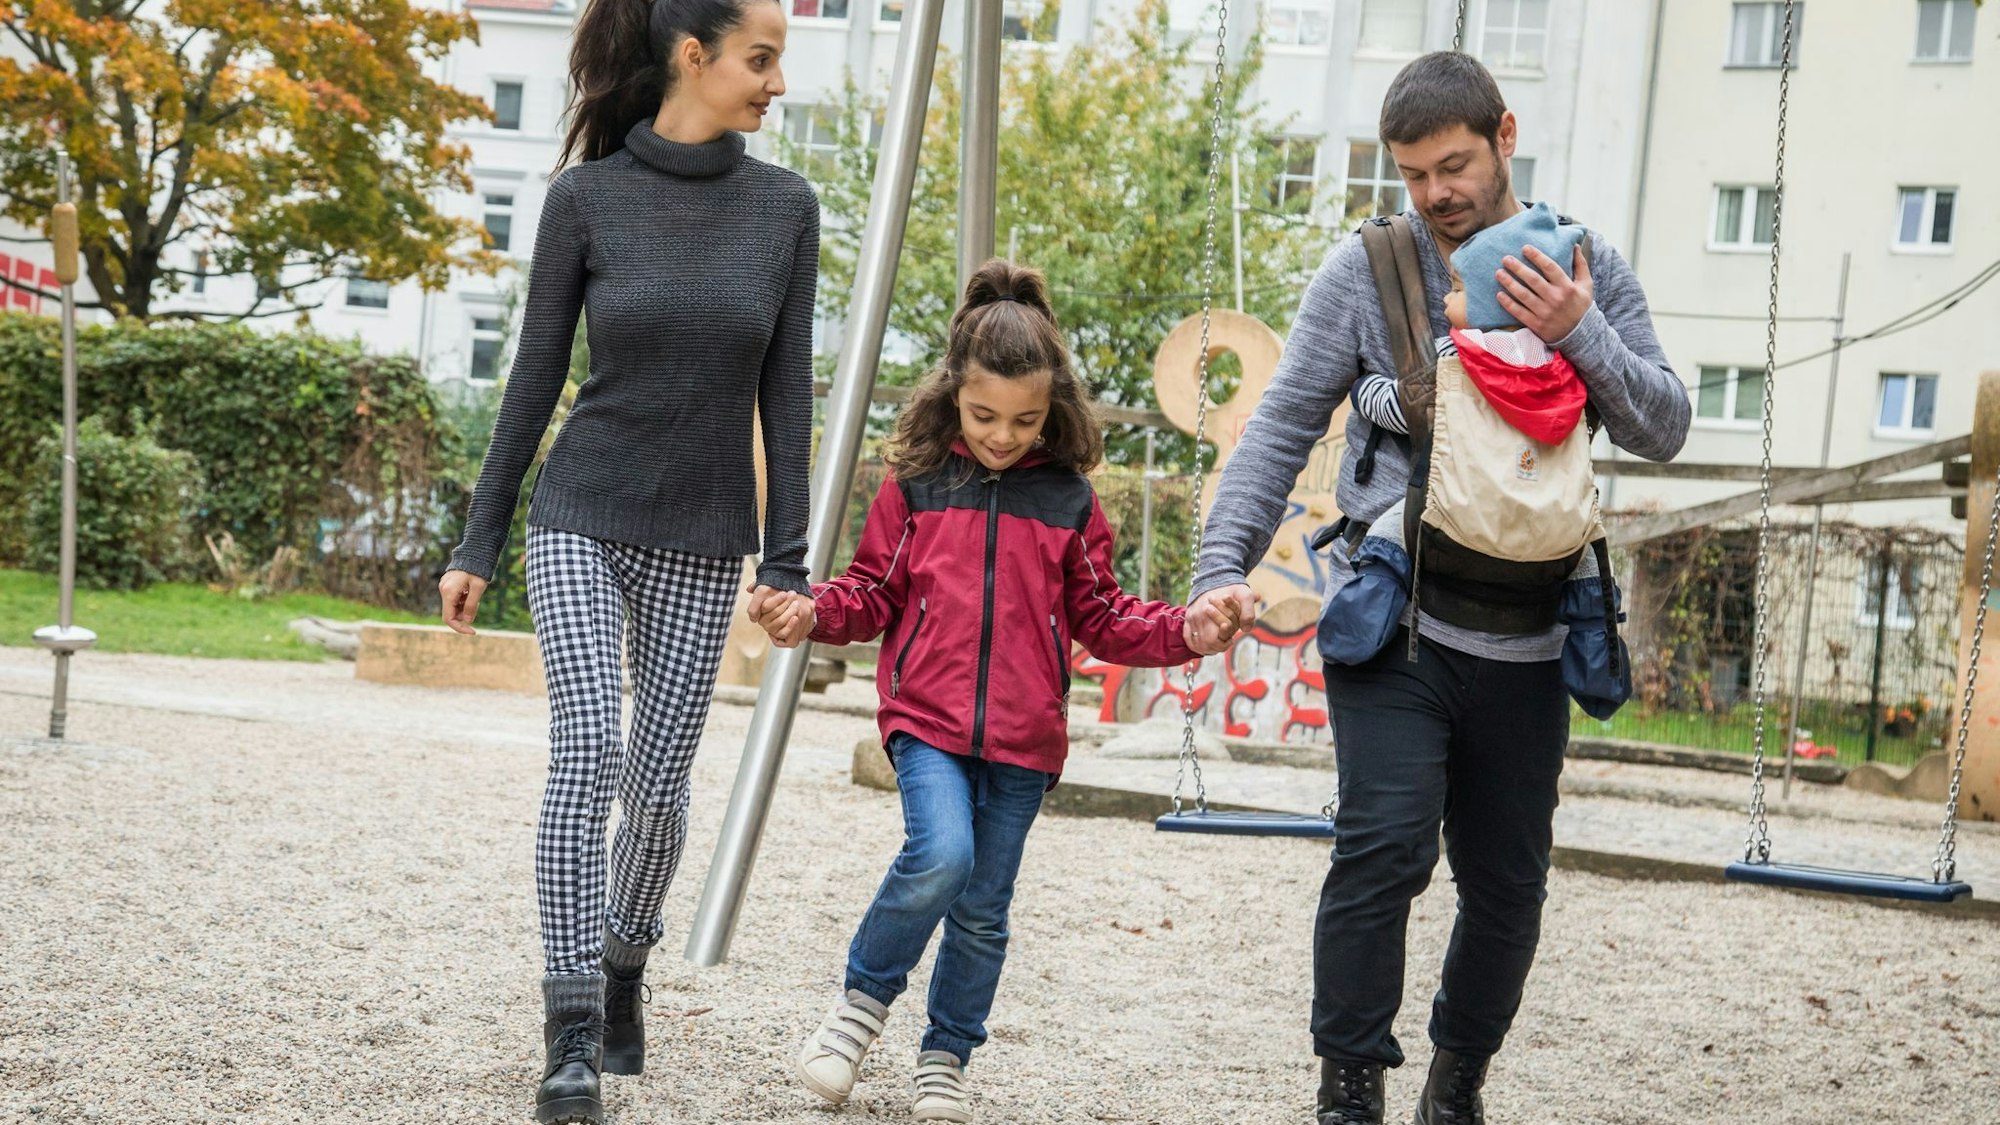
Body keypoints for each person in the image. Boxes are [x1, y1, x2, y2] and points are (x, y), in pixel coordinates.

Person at [1186, 52, 1690, 1125]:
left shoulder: (1582, 265)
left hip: (1530, 634)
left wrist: (1573, 330)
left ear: (1504, 136)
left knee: (1507, 887)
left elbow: (1661, 426)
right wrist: (1218, 570)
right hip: (1395, 617)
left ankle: (1454, 1088)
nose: (1433, 195)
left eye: (1451, 165)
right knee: (1382, 847)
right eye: (1410, 174)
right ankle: (1348, 1091)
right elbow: (1278, 428)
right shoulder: (1366, 272)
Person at [434, 0, 819, 1119]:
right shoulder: (586, 199)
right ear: (692, 58)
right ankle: (566, 1030)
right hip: (580, 510)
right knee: (589, 745)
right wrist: (480, 535)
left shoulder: (784, 209)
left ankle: (621, 964)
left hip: (703, 533)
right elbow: (533, 378)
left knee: (655, 791)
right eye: (761, 59)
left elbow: (784, 402)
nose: (774, 83)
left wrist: (787, 563)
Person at [779, 260, 1235, 1124]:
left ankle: (945, 1056)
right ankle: (858, 1008)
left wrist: (1188, 631)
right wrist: (810, 613)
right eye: (985, 415)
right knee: (941, 854)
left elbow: (1104, 616)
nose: (1002, 435)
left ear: (1051, 407)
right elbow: (871, 591)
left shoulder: (1068, 500)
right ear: (954, 393)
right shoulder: (915, 485)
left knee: (984, 910)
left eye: (1025, 420)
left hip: (1025, 739)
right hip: (927, 722)